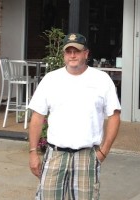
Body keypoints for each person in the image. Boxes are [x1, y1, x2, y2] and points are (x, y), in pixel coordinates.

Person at [28, 33, 121, 199]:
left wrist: (104, 151)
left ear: (86, 53)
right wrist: (33, 152)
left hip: (86, 156)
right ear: (63, 54)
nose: (72, 55)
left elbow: (114, 115)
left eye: (77, 51)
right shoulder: (51, 79)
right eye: (68, 51)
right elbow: (37, 116)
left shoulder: (101, 80)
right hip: (55, 155)